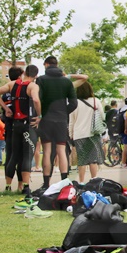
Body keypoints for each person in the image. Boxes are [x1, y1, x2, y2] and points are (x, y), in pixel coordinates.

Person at [0, 65, 41, 195]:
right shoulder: (32, 86)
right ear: (36, 76)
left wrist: (6, 109)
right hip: (28, 123)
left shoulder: (12, 84)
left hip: (16, 123)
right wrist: (39, 115)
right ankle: (26, 186)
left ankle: (8, 186)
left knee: (14, 155)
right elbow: (36, 99)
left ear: (24, 72)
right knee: (27, 155)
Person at [36, 56, 81, 188]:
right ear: (57, 65)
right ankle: (64, 181)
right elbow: (74, 103)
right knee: (62, 150)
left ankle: (46, 183)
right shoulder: (66, 82)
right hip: (61, 119)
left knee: (47, 150)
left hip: (46, 119)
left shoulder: (41, 80)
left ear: (46, 64)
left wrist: (41, 114)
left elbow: (38, 98)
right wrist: (64, 112)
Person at [69, 79, 103, 184]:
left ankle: (81, 181)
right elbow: (102, 116)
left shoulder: (75, 103)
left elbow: (71, 121)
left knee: (82, 160)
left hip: (79, 134)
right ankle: (94, 180)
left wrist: (70, 134)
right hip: (93, 133)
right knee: (93, 159)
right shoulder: (95, 101)